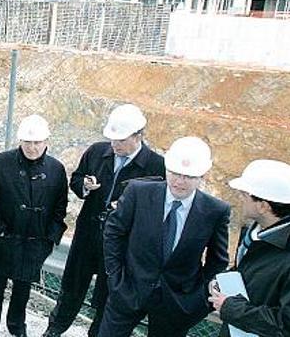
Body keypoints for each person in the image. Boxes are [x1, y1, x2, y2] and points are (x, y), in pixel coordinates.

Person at [43, 103, 165, 337]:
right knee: (71, 288)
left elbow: (156, 211)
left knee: (108, 296)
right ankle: (54, 330)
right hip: (88, 234)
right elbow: (76, 180)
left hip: (120, 244)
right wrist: (85, 186)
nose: (114, 145)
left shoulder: (156, 166)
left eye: (120, 140)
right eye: (112, 139)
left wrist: (129, 209)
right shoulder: (97, 152)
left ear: (138, 135)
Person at [99, 136, 230, 337]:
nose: (179, 181)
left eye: (188, 176)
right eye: (175, 173)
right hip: (128, 291)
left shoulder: (216, 211)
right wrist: (116, 278)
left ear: (202, 175)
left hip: (176, 302)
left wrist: (197, 299)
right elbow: (114, 233)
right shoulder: (138, 192)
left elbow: (217, 261)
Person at [0, 115, 68, 337]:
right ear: (20, 141)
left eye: (37, 142)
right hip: (3, 242)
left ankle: (17, 328)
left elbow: (60, 206)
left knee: (22, 291)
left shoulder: (56, 169)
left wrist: (50, 238)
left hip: (34, 246)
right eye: (27, 142)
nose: (32, 147)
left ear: (47, 141)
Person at [209, 159, 290, 336]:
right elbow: (249, 270)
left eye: (245, 195)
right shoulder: (254, 232)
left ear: (263, 206)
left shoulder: (289, 258)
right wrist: (223, 281)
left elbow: (287, 324)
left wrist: (230, 308)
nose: (240, 198)